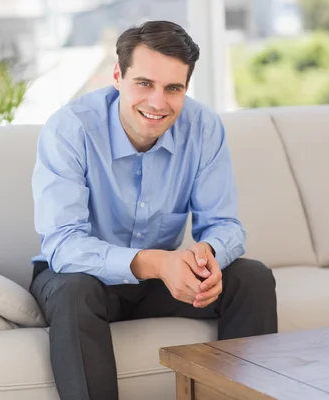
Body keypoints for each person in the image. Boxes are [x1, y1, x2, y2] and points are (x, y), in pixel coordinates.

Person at [30, 20, 278, 400]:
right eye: (144, 83)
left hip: (160, 281)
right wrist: (159, 263)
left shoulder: (203, 127)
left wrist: (206, 254)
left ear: (185, 88)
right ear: (117, 75)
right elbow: (63, 245)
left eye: (172, 88)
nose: (158, 102)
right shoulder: (70, 129)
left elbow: (225, 225)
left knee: (252, 277)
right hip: (79, 278)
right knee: (75, 291)